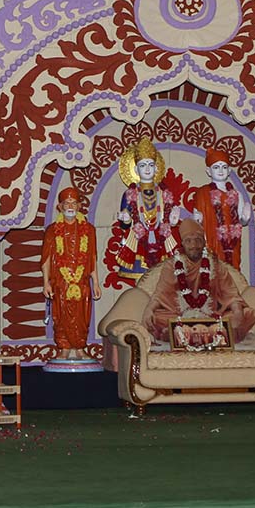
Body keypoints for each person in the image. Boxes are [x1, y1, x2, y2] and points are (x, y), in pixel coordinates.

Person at [142, 217, 255, 344]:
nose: (193, 245)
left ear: (204, 243)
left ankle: (177, 334)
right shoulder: (172, 265)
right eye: (188, 241)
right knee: (155, 318)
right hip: (180, 316)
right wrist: (149, 309)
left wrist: (237, 312)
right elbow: (160, 294)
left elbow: (230, 293)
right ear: (182, 244)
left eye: (198, 240)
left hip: (211, 316)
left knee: (248, 314)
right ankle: (218, 334)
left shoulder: (215, 264)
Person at [42, 186, 101, 359]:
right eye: (66, 203)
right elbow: (46, 259)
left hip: (82, 281)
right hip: (61, 281)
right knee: (60, 316)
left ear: (79, 206)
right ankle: (64, 348)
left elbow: (92, 257)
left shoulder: (89, 230)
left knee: (82, 316)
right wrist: (45, 283)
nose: (70, 206)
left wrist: (96, 283)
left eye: (74, 203)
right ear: (60, 207)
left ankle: (80, 347)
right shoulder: (52, 230)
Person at [111, 137, 181, 283]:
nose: (147, 169)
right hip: (138, 243)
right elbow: (125, 224)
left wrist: (173, 221)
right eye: (143, 165)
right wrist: (126, 220)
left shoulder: (164, 193)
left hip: (161, 241)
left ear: (156, 168)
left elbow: (168, 219)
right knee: (141, 283)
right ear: (136, 169)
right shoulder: (130, 194)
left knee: (161, 283)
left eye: (151, 165)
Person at [193, 148, 252, 269]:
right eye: (216, 167)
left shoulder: (236, 194)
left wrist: (245, 218)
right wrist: (197, 219)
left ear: (229, 170)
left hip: (232, 241)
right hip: (212, 238)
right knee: (213, 269)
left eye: (224, 167)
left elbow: (242, 221)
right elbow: (197, 219)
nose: (220, 170)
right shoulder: (202, 192)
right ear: (209, 171)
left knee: (232, 269)